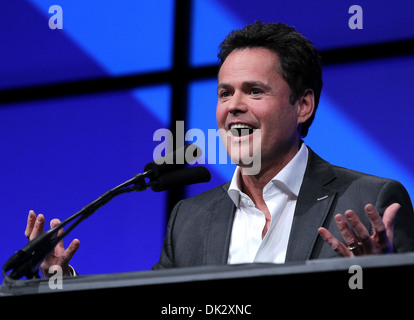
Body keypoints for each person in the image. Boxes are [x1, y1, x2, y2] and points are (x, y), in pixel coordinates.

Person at [25, 22, 414, 276]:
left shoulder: (371, 199)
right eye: (225, 93)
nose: (233, 106)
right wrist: (62, 278)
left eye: (254, 91)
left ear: (303, 105)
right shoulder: (190, 219)